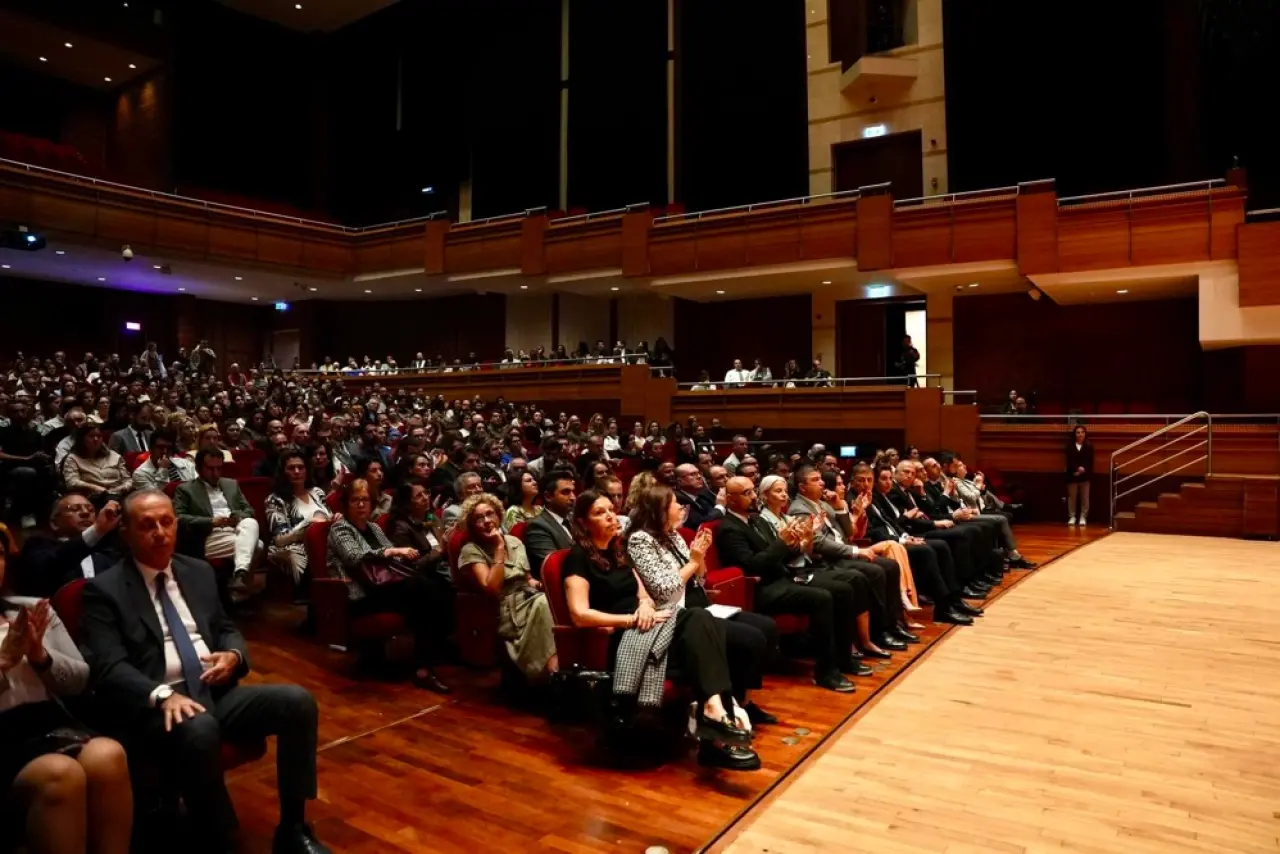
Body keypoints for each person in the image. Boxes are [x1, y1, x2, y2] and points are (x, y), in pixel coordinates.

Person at [80, 489, 327, 854]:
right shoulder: (104, 590)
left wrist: (232, 655)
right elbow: (107, 665)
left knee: (297, 702)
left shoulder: (196, 571)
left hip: (211, 689)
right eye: (147, 525)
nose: (160, 533)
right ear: (126, 534)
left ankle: (293, 827)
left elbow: (225, 627)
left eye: (167, 522)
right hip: (157, 705)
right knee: (200, 727)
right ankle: (217, 838)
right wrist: (163, 695)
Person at [562, 490, 760, 770]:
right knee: (699, 620)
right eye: (599, 512)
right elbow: (580, 615)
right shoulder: (577, 559)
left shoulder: (618, 551)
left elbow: (643, 595)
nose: (609, 515)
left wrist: (644, 606)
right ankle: (715, 725)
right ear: (582, 523)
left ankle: (714, 714)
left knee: (705, 624)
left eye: (610, 509)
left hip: (650, 624)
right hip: (623, 634)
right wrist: (631, 619)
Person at [0, 543, 134, 854]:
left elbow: (79, 681)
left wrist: (40, 657)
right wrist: (5, 662)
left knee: (108, 755)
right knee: (61, 773)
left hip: (44, 723)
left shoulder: (31, 608)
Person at [623, 484, 778, 721]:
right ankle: (730, 704)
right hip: (678, 613)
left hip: (701, 603)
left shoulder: (673, 535)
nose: (682, 509)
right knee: (750, 639)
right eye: (677, 504)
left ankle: (741, 700)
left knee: (767, 627)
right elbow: (664, 589)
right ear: (660, 509)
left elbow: (701, 577)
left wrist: (700, 557)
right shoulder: (640, 540)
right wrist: (694, 561)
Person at [719, 476, 876, 692]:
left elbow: (782, 553)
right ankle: (826, 671)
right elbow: (753, 565)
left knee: (844, 589)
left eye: (752, 491)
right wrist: (782, 543)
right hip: (762, 588)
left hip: (783, 576)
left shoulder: (755, 520)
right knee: (822, 598)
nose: (753, 496)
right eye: (747, 493)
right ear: (730, 499)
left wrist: (802, 539)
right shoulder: (729, 528)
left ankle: (844, 658)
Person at [326, 479, 450, 694]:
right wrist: (392, 552)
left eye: (365, 500)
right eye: (355, 500)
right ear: (346, 504)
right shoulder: (340, 529)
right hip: (360, 595)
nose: (361, 505)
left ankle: (425, 663)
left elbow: (393, 562)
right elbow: (354, 557)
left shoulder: (373, 527)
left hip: (384, 588)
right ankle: (426, 663)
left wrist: (407, 554)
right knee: (423, 589)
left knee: (436, 588)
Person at [789, 464, 910, 653]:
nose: (822, 483)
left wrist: (839, 507)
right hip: (828, 559)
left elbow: (848, 532)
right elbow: (819, 543)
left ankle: (893, 624)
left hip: (841, 552)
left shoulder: (823, 503)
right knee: (875, 571)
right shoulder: (799, 509)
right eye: (815, 480)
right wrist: (855, 551)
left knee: (890, 566)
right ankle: (879, 632)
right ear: (802, 487)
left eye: (821, 479)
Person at [862, 464, 982, 625]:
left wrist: (905, 534)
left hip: (903, 535)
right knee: (928, 550)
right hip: (888, 544)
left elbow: (894, 523)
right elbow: (877, 530)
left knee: (941, 546)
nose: (888, 482)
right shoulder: (872, 498)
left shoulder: (883, 496)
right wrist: (904, 535)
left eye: (889, 478)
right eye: (884, 479)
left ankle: (954, 598)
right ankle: (943, 607)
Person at [454, 493, 557, 678]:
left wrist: (541, 584)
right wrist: (499, 548)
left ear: (499, 516)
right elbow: (492, 587)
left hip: (529, 595)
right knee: (544, 604)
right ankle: (553, 672)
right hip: (506, 606)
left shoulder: (515, 542)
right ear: (471, 525)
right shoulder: (471, 549)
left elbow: (527, 578)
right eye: (479, 518)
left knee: (554, 601)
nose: (486, 521)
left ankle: (564, 669)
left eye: (490, 514)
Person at [174, 450, 260, 600]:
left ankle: (239, 579)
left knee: (250, 522)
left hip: (236, 529)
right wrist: (210, 521)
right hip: (208, 536)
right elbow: (178, 518)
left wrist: (238, 516)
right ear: (198, 469)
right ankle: (239, 587)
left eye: (219, 468)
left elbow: (249, 510)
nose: (215, 473)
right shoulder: (185, 489)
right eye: (210, 469)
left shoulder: (231, 484)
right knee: (257, 546)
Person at [15, 495, 121, 599]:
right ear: (54, 523)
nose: (85, 513)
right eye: (74, 509)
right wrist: (96, 531)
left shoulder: (106, 552)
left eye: (91, 509)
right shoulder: (38, 545)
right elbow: (46, 569)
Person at [263, 451, 330, 586]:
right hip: (292, 545)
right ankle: (310, 591)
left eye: (301, 467)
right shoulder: (275, 500)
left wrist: (335, 518)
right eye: (291, 468)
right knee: (300, 553)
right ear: (283, 472)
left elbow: (329, 517)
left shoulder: (317, 492)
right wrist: (309, 525)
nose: (297, 471)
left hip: (325, 539)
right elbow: (280, 539)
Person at [523, 470, 575, 578]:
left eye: (573, 491)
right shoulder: (537, 527)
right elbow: (555, 567)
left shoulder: (574, 519)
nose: (573, 497)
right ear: (548, 497)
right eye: (566, 492)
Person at [61, 424, 132, 498]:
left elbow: (128, 480)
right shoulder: (73, 458)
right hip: (91, 497)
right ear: (82, 439)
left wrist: (121, 488)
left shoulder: (114, 456)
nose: (96, 439)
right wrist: (94, 487)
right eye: (91, 436)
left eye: (99, 436)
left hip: (117, 494)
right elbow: (71, 482)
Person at [130, 430, 196, 489]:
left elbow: (199, 486)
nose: (165, 451)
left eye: (169, 448)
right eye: (160, 447)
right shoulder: (140, 474)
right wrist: (163, 470)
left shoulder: (186, 464)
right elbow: (155, 497)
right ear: (151, 448)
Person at [1066, 424, 1094, 525]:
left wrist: (1083, 469)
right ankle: (1072, 517)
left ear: (1085, 434)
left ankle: (1083, 517)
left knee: (1085, 498)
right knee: (1072, 497)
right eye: (1078, 432)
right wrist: (1077, 469)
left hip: (1085, 476)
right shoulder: (1070, 446)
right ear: (1075, 434)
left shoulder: (1089, 446)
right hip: (1072, 475)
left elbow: (1090, 462)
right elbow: (1069, 460)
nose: (1080, 434)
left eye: (1082, 432)